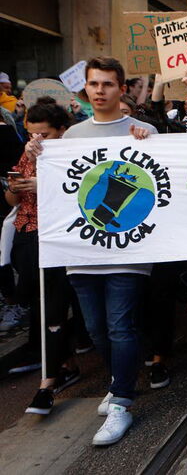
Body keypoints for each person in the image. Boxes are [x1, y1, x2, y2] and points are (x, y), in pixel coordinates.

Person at [23, 57, 157, 446]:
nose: (100, 90)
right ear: (86, 88)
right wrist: (37, 156)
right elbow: (60, 188)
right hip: (83, 252)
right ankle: (119, 382)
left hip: (128, 250)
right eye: (94, 84)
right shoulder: (71, 137)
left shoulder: (144, 131)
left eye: (108, 84)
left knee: (119, 325)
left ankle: (122, 402)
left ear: (122, 89)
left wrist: (149, 145)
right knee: (97, 328)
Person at [6, 100, 85, 416]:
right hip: (29, 231)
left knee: (56, 302)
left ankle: (51, 378)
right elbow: (12, 199)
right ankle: (60, 360)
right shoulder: (28, 153)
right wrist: (16, 186)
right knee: (37, 298)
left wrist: (44, 185)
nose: (36, 140)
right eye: (31, 134)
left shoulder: (73, 152)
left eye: (44, 134)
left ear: (62, 131)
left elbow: (84, 191)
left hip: (61, 234)